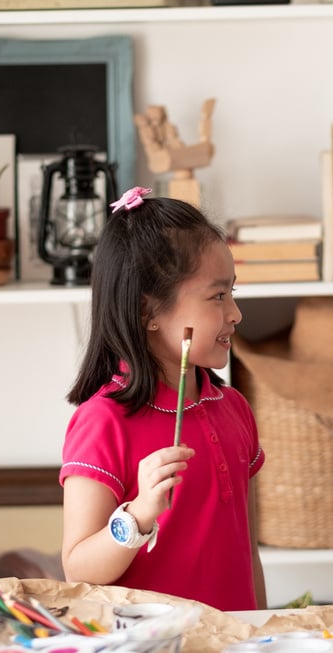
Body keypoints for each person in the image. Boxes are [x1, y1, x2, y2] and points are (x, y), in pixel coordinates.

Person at [59, 186, 267, 611]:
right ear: (146, 312)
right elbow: (77, 568)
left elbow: (248, 554)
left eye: (233, 292)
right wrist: (137, 515)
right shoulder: (103, 421)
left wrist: (259, 629)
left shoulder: (234, 409)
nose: (235, 313)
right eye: (217, 296)